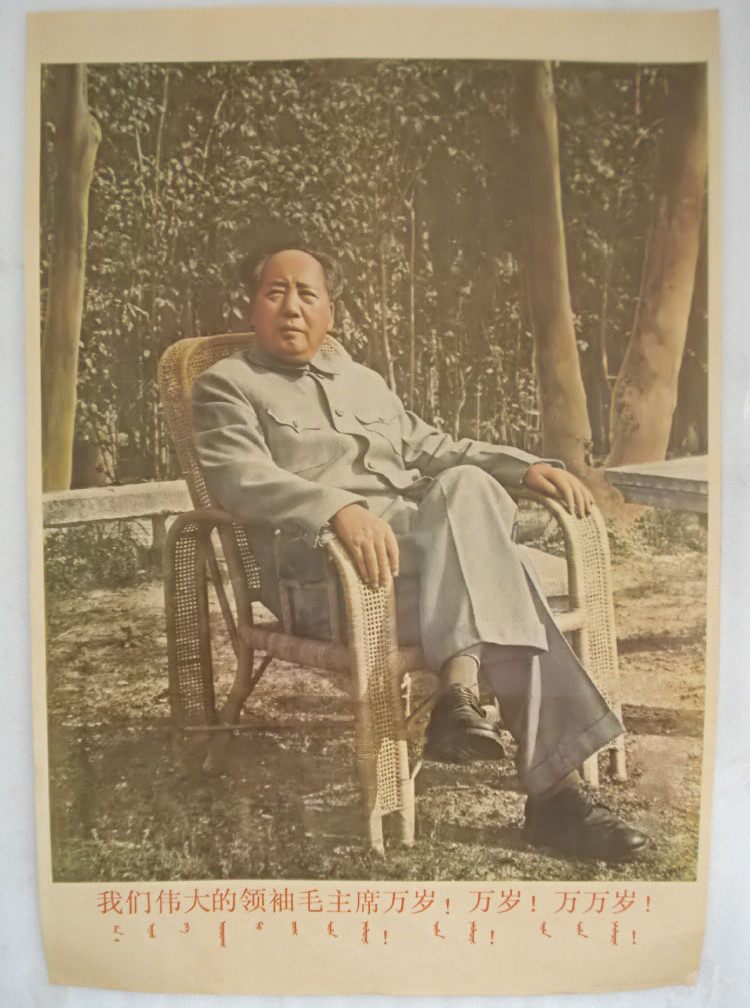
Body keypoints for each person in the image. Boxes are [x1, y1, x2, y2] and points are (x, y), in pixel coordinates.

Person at [191, 243, 649, 862]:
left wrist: (524, 466)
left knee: (468, 484)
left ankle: (458, 691)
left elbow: (436, 448)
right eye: (275, 292)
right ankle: (557, 797)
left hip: (421, 570)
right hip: (334, 580)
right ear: (252, 305)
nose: (292, 307)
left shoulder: (364, 383)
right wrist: (336, 507)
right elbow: (239, 477)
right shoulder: (226, 386)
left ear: (330, 312)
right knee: (507, 575)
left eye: (307, 294)